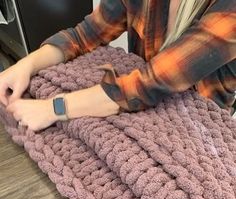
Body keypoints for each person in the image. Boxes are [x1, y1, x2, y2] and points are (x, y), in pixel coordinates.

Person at [0, 0, 235, 131]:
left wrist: (54, 108)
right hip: (135, 110)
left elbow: (146, 85)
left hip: (198, 131)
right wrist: (25, 65)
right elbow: (84, 35)